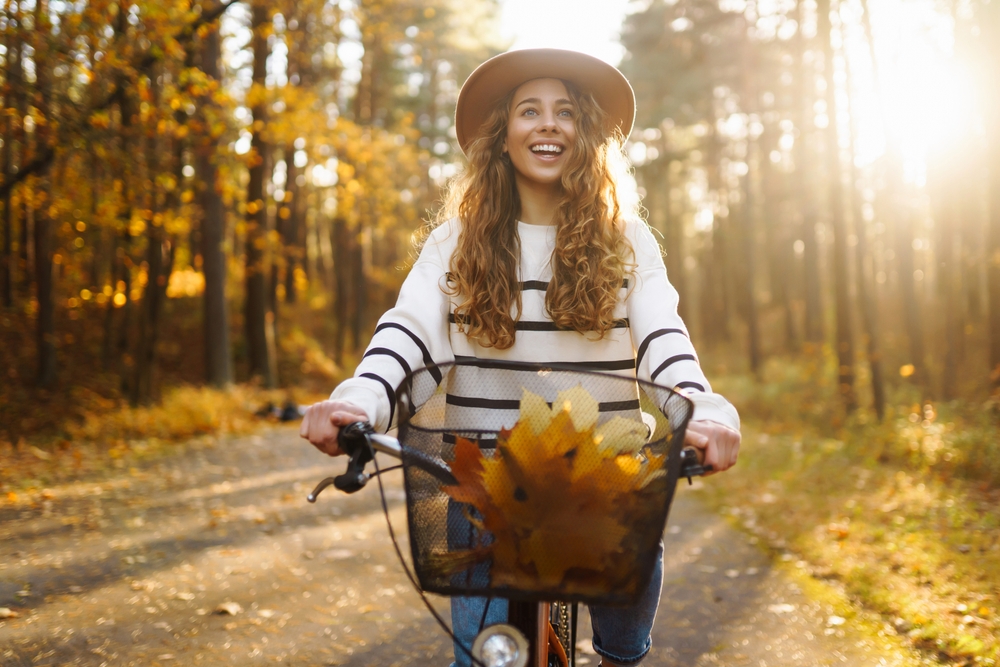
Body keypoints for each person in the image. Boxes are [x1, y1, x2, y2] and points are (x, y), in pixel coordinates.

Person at [299, 48, 741, 667]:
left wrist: (704, 412)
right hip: (484, 483)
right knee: (484, 658)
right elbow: (409, 331)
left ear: (585, 134)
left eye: (566, 112)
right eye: (529, 111)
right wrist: (360, 399)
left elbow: (663, 338)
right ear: (502, 137)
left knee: (624, 636)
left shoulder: (624, 239)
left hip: (600, 479)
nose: (548, 124)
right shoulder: (456, 240)